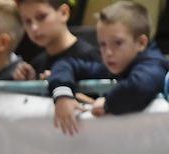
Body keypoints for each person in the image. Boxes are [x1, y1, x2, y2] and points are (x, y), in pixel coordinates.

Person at [49, 1, 169, 135]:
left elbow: (140, 86)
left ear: (141, 43)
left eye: (117, 43)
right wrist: (62, 94)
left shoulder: (154, 63)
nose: (108, 52)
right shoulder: (113, 65)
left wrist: (107, 103)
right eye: (102, 44)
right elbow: (66, 63)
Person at [15, 0, 98, 79]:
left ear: (64, 13)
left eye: (41, 17)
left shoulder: (92, 59)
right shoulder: (36, 65)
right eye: (27, 21)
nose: (34, 27)